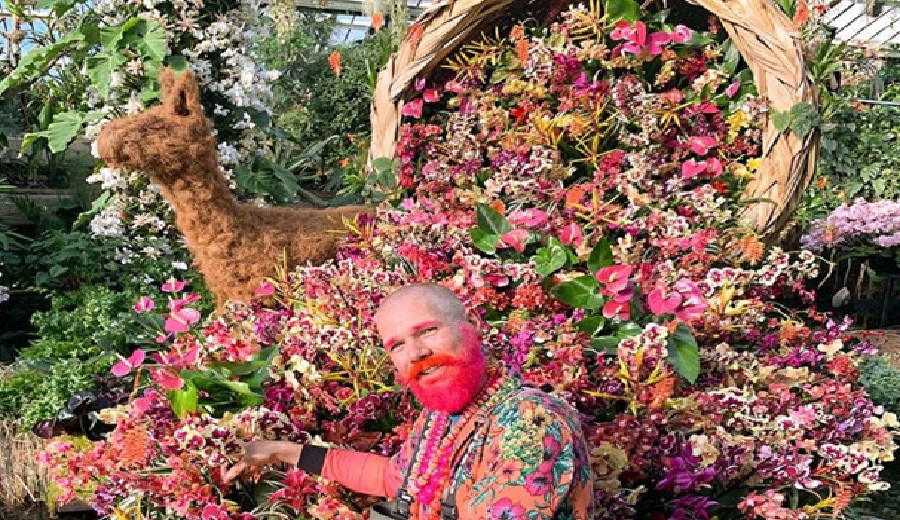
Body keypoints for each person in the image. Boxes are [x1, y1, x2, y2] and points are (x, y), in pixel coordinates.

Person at [224, 283, 594, 519]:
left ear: (473, 326)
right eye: (397, 345)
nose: (415, 353)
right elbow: (394, 479)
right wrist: (278, 451)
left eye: (428, 331)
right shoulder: (442, 417)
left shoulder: (528, 419)